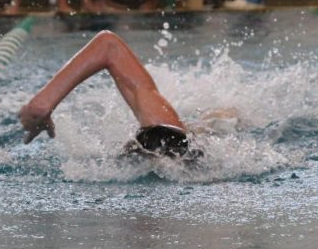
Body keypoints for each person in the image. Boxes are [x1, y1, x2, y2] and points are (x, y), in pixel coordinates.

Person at [19, 31, 195, 159]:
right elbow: (108, 45)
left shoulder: (163, 127)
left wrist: (42, 104)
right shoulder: (172, 133)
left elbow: (108, 45)